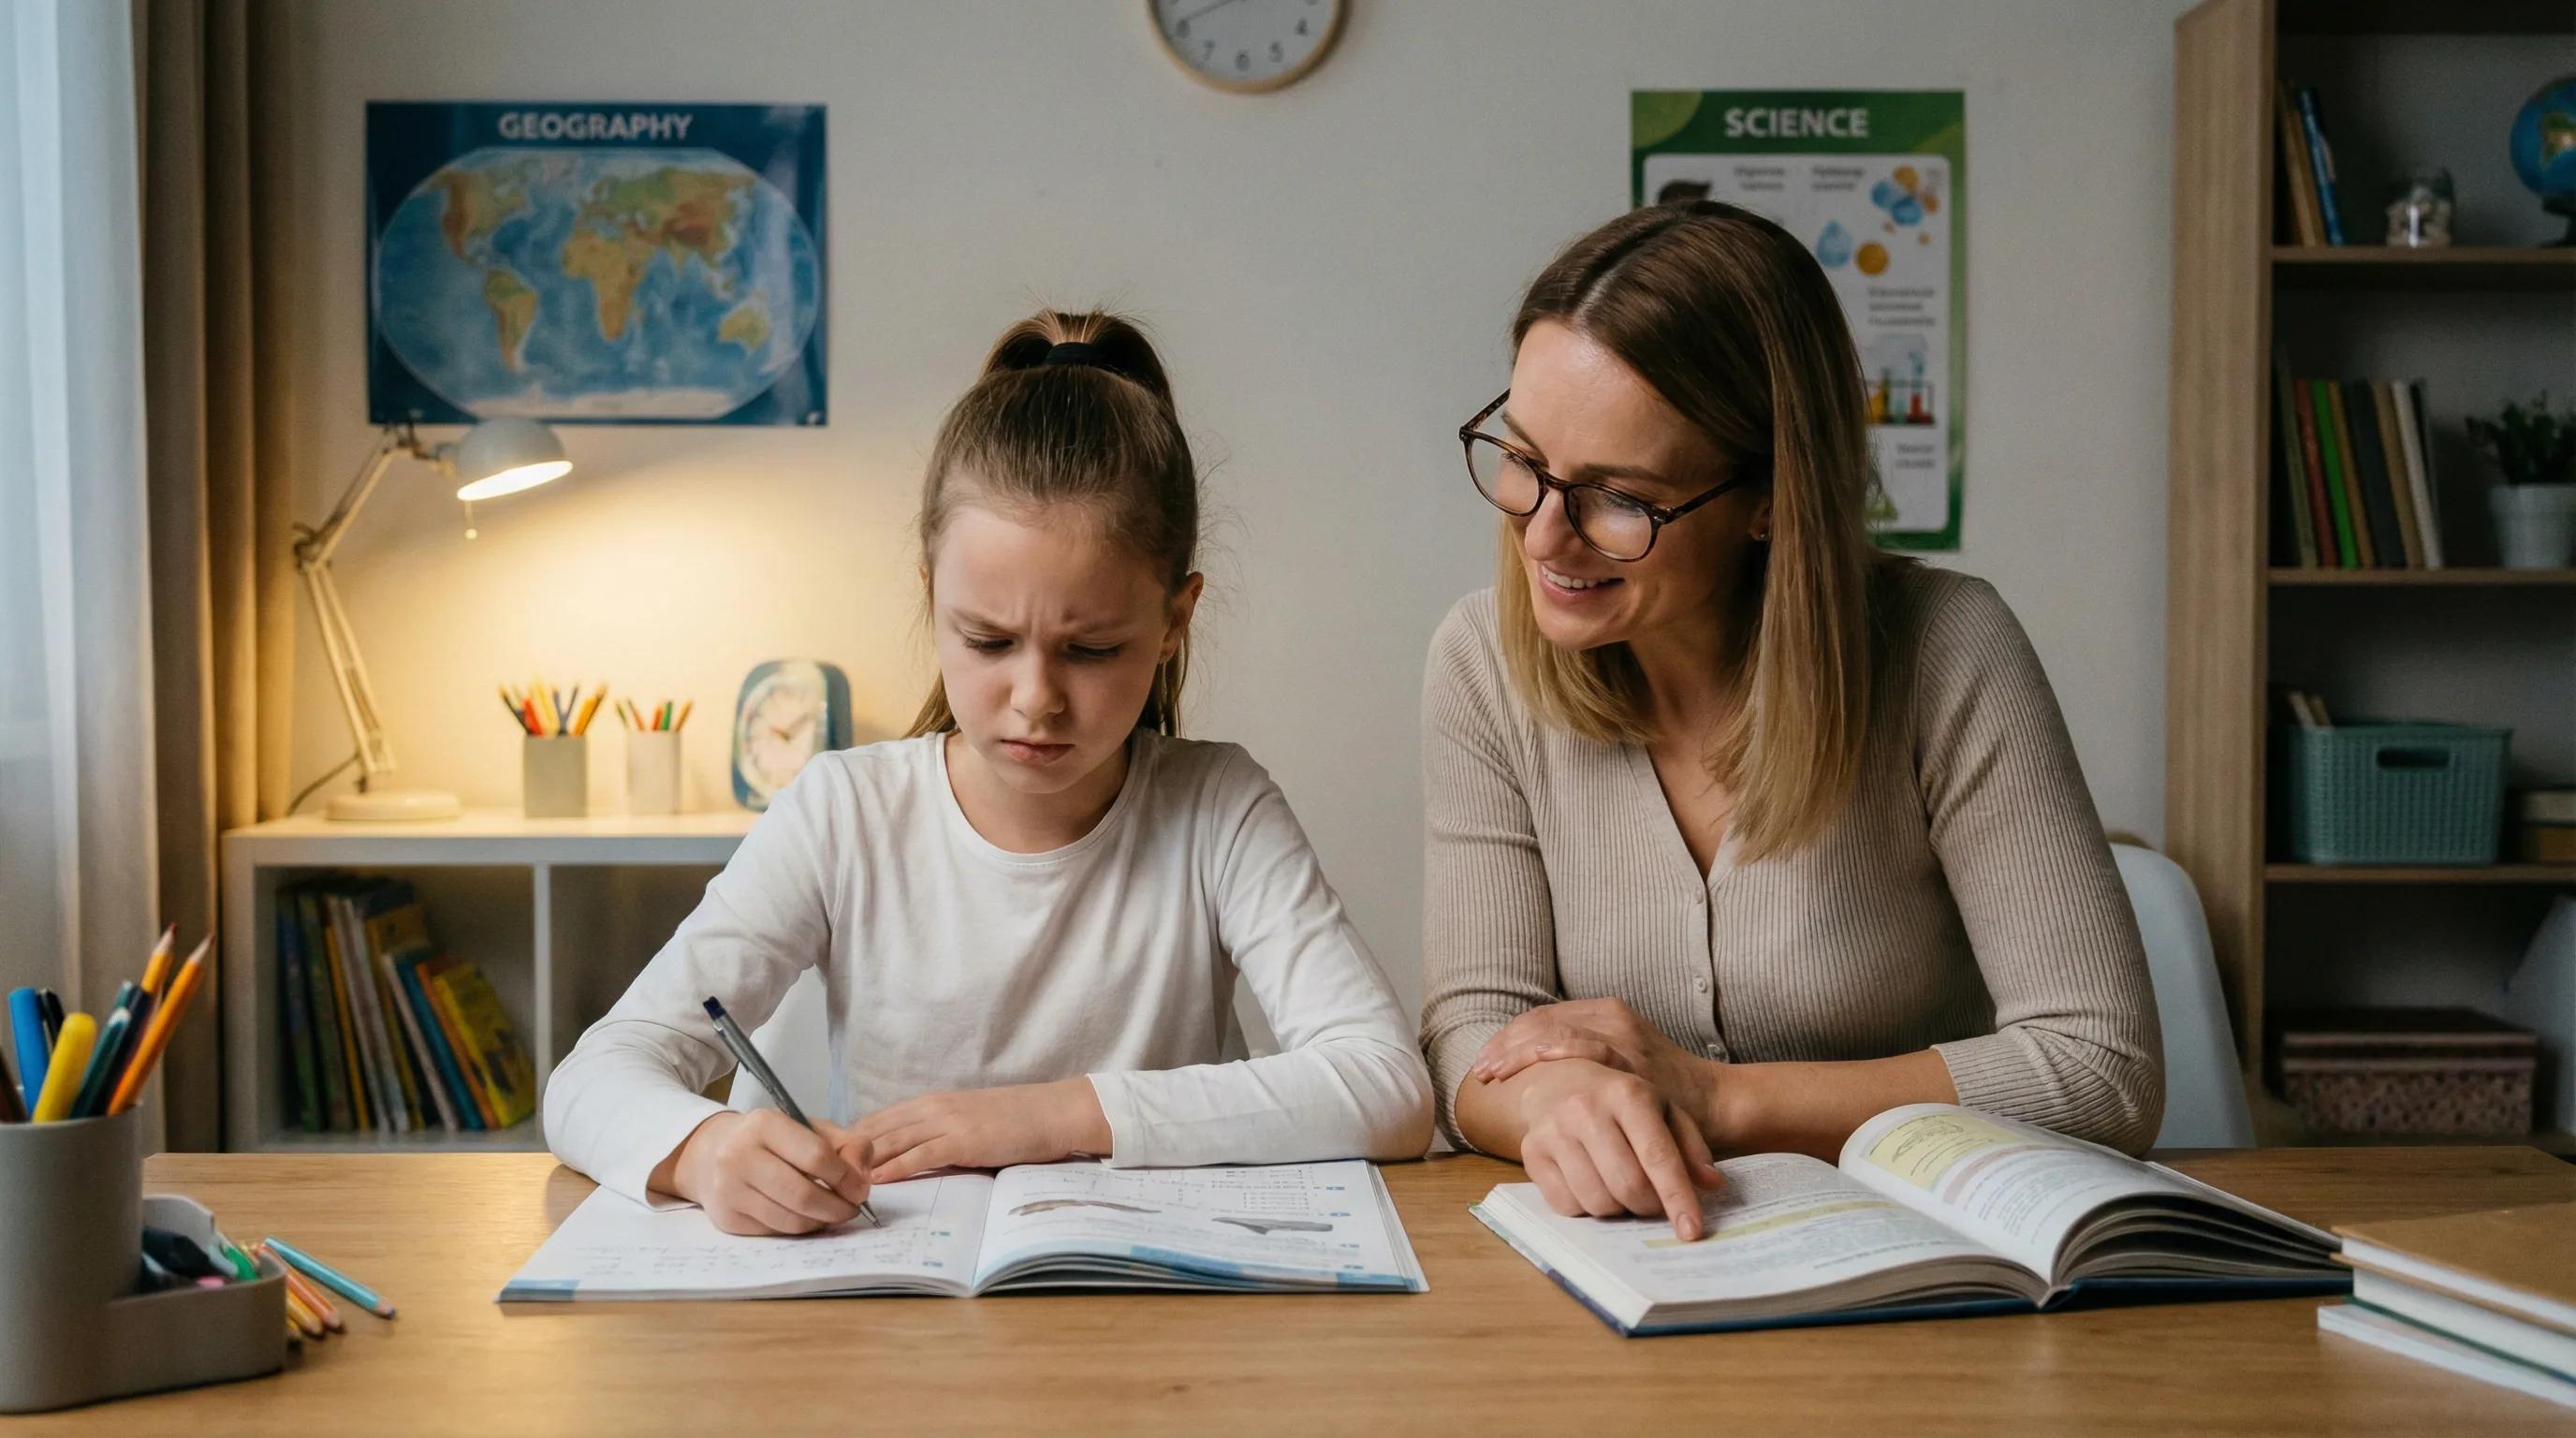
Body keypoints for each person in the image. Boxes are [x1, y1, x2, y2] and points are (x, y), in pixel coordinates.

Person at [548, 311, 1432, 1235]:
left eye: (1090, 650)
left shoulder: (1217, 808)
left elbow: (1385, 1084)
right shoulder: (842, 812)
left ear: (1175, 620)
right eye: (988, 640)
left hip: (1146, 1330)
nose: (1035, 700)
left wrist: (1049, 1118)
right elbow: (596, 1076)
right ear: (933, 597)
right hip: (882, 1324)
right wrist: (700, 1152)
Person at [1419, 203, 2161, 1240]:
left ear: (1768, 499)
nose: (1545, 532)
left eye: (1617, 497)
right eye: (1524, 459)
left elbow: (2101, 1068)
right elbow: (1471, 1036)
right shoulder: (1480, 662)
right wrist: (1555, 1102)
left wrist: (1720, 1100)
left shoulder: (1948, 649)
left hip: (1932, 1258)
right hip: (1638, 1263)